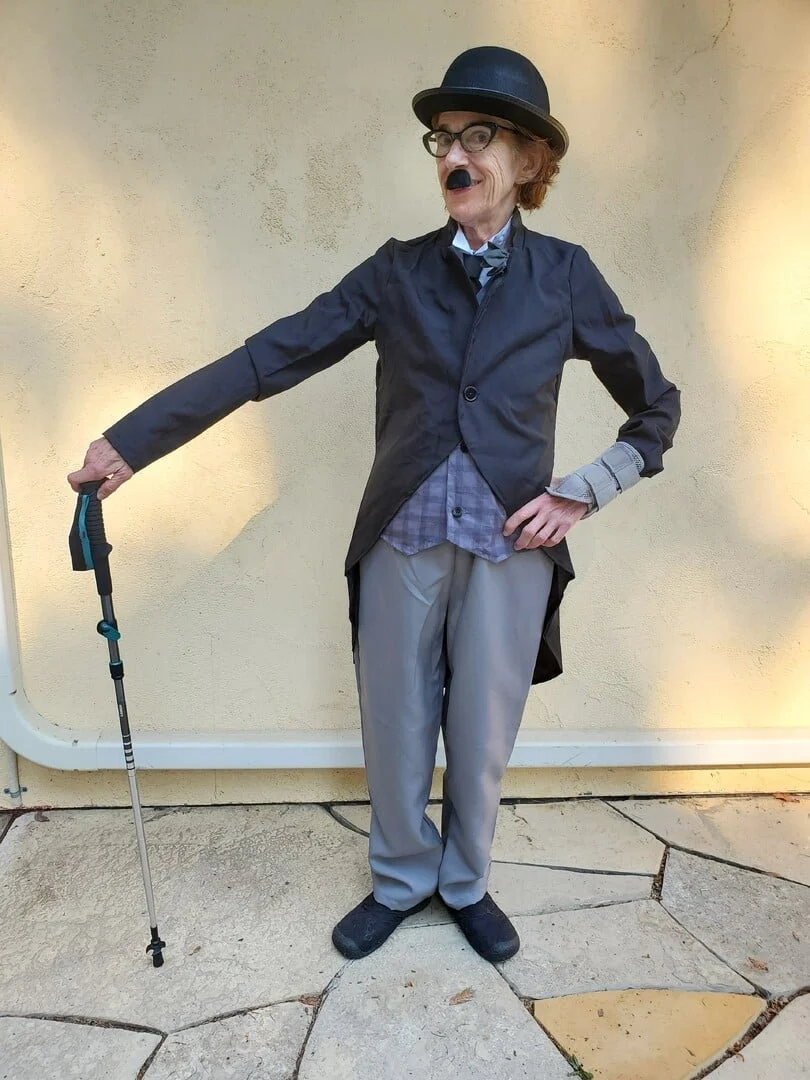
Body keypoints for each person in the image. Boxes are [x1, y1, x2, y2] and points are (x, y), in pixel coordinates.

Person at [68, 47, 680, 964]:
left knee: (479, 731)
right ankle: (400, 879)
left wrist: (581, 493)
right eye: (442, 140)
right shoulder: (398, 272)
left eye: (479, 136)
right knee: (394, 721)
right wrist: (134, 440)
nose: (453, 156)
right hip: (402, 535)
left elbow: (656, 408)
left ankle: (466, 882)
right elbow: (271, 355)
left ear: (528, 163)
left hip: (513, 545)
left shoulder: (565, 276)